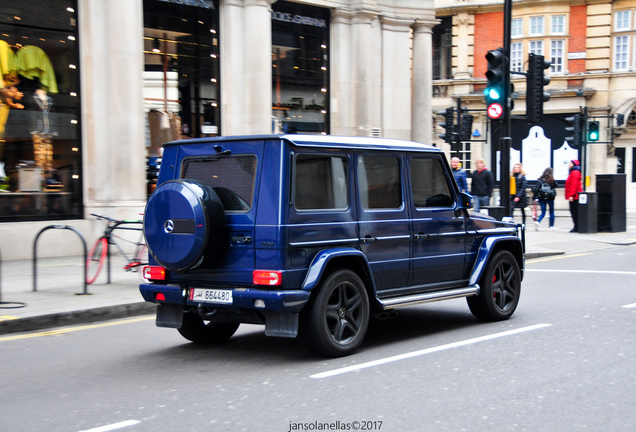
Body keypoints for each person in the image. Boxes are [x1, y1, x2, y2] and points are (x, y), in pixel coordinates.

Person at [565, 159, 583, 232]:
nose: (569, 164)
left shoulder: (575, 172)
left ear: (574, 164)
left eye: (570, 163)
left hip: (575, 196)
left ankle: (577, 226)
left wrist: (571, 195)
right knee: (574, 211)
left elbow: (574, 184)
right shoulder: (573, 172)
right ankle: (576, 226)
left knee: (574, 211)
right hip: (574, 196)